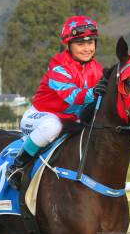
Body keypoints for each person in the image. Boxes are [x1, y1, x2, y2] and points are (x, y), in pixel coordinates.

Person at [6, 15, 108, 189]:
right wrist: (94, 92)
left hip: (70, 119)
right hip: (41, 117)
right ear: (68, 45)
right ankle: (16, 166)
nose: (87, 48)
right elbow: (73, 97)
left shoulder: (97, 68)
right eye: (80, 44)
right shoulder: (58, 66)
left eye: (90, 42)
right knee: (52, 127)